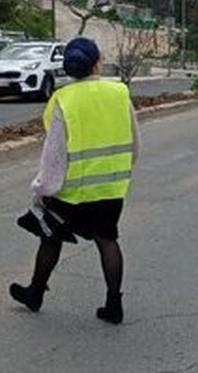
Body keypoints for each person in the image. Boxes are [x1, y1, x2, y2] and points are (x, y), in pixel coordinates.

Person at [10, 37, 138, 325]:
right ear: (97, 63)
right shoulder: (119, 92)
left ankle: (35, 293)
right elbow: (135, 142)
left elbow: (54, 154)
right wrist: (120, 172)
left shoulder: (63, 99)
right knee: (108, 240)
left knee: (50, 236)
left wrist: (42, 189)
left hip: (71, 191)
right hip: (111, 187)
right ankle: (113, 304)